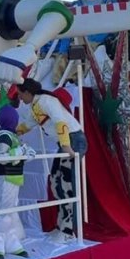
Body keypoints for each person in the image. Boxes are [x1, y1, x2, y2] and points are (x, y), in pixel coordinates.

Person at [16, 78, 87, 243]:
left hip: (73, 141)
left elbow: (60, 122)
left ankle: (69, 231)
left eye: (20, 94)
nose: (20, 98)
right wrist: (16, 131)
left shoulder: (47, 101)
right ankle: (61, 226)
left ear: (27, 92)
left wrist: (67, 146)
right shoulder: (36, 105)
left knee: (67, 186)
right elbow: (29, 124)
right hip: (65, 143)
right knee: (56, 184)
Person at [0, 105, 34, 259]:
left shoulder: (11, 136)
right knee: (3, 213)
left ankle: (10, 242)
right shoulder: (4, 136)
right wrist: (21, 152)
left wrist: (25, 152)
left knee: (10, 213)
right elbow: (2, 157)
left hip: (14, 179)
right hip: (5, 178)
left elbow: (27, 153)